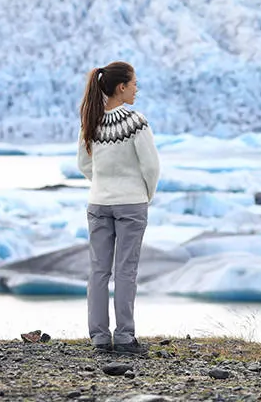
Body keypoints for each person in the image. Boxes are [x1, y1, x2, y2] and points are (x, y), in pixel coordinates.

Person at [77, 61, 160, 355]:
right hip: (131, 203)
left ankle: (99, 337)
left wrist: (102, 184)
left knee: (98, 270)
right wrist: (144, 194)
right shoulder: (136, 121)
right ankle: (124, 337)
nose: (137, 88)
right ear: (121, 87)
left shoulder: (91, 119)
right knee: (125, 270)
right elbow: (151, 166)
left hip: (98, 202)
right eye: (134, 83)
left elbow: (84, 165)